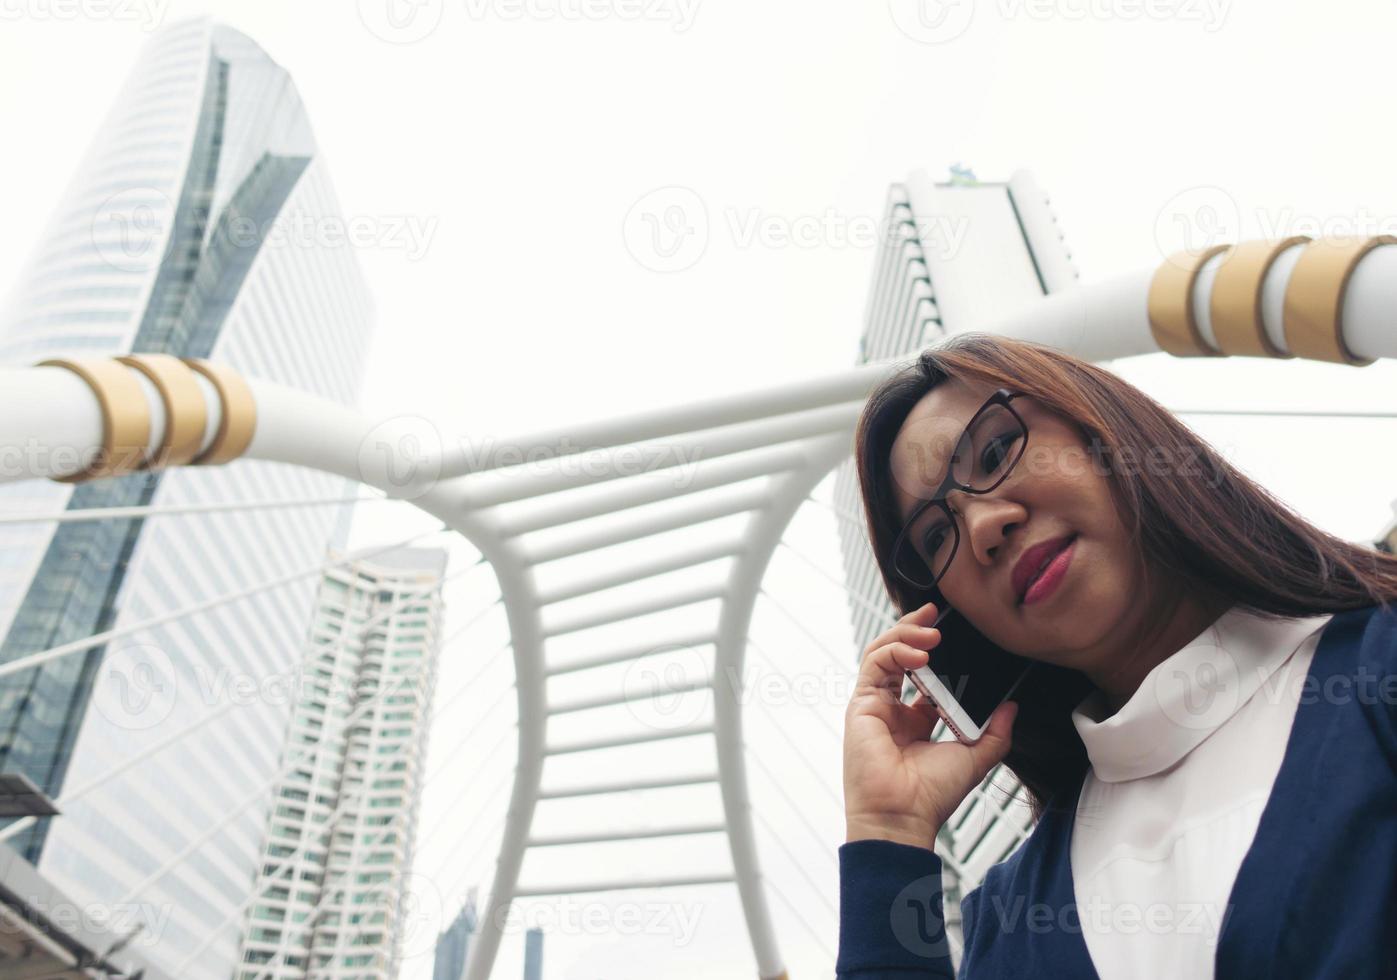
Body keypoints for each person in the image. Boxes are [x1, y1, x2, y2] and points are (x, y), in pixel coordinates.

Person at [838, 332, 1397, 979]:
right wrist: (888, 830)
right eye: (936, 536)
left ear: (1102, 428)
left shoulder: (1373, 668)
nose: (982, 528)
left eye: (993, 451)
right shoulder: (1010, 918)